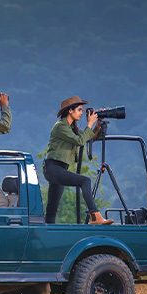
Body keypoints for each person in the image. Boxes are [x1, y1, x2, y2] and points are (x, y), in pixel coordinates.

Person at [43, 96, 113, 225]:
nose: (82, 113)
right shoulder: (60, 126)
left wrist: (97, 124)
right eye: (80, 110)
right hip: (53, 168)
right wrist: (89, 124)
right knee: (85, 181)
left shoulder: (72, 128)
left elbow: (88, 138)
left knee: (52, 208)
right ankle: (95, 215)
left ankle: (48, 232)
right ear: (70, 111)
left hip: (59, 169)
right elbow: (80, 141)